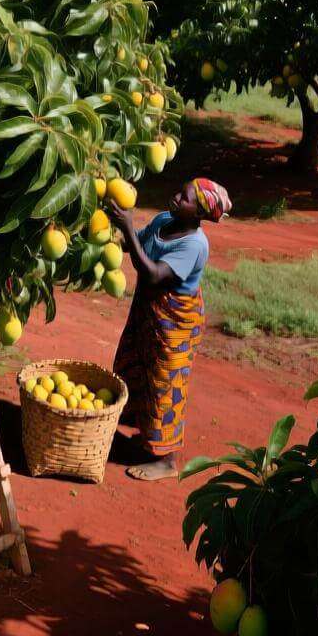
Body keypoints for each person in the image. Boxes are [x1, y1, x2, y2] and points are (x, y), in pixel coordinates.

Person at [106, 177, 231, 482]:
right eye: (180, 191)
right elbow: (135, 244)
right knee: (134, 367)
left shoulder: (194, 245)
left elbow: (151, 273)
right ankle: (141, 434)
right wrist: (103, 234)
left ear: (199, 213)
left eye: (185, 198)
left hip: (175, 323)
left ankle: (168, 461)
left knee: (166, 385)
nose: (176, 198)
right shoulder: (165, 220)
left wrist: (126, 226)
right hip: (148, 314)